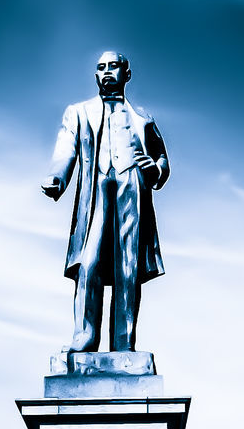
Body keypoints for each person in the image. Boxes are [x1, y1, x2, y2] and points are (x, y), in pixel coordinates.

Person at [42, 50, 169, 351]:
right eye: (101, 67)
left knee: (128, 267)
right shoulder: (79, 112)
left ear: (126, 74)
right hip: (96, 191)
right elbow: (66, 148)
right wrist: (57, 177)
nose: (107, 72)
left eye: (114, 66)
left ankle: (124, 344)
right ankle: (84, 337)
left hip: (132, 190)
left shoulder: (143, 118)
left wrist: (156, 169)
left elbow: (162, 156)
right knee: (90, 263)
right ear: (96, 75)